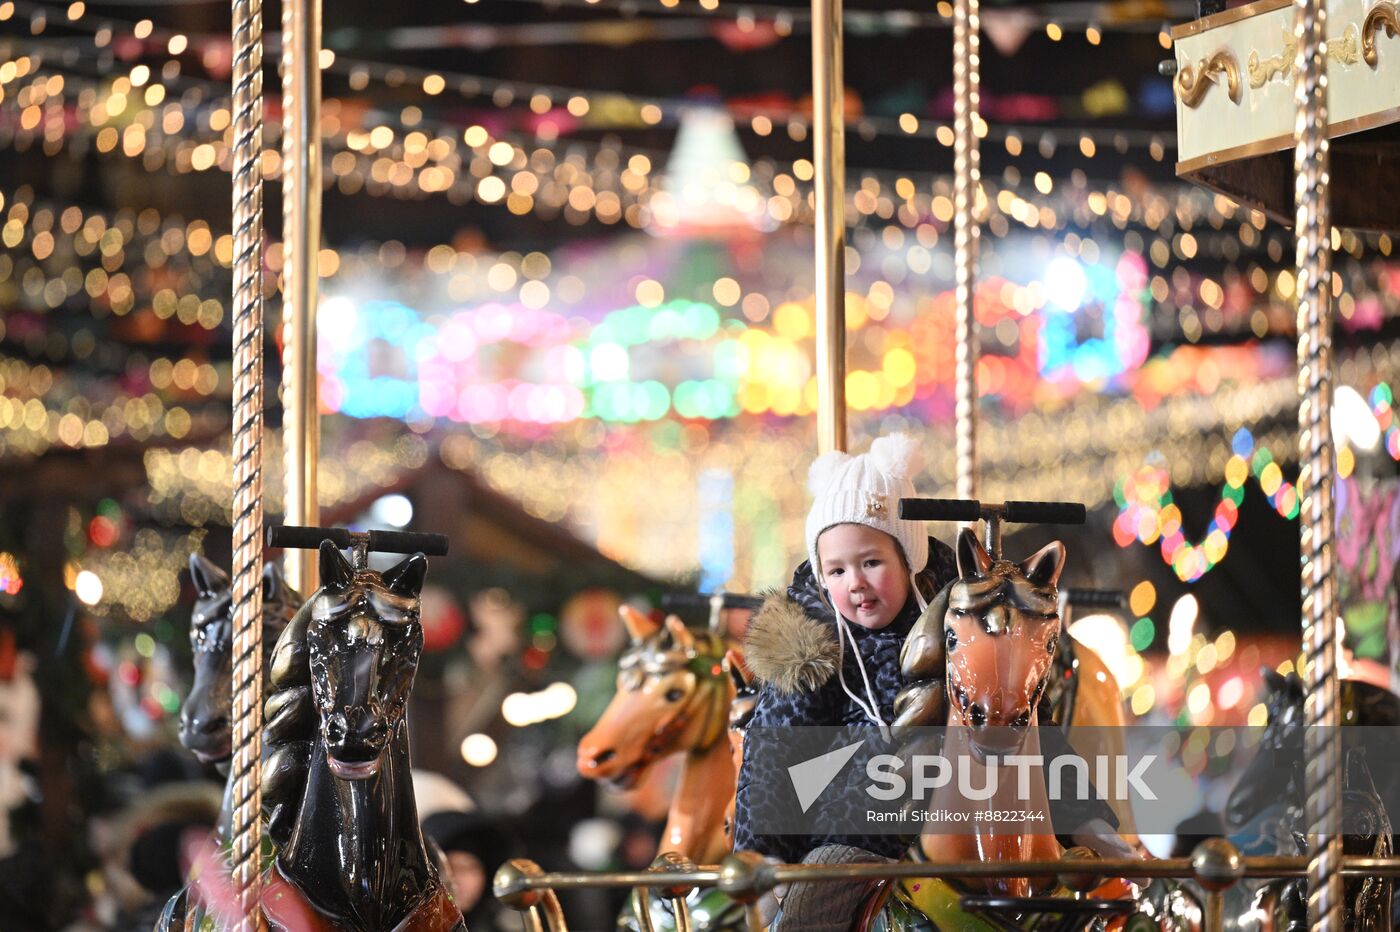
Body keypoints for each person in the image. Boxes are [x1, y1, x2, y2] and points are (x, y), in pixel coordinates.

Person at [732, 433, 958, 929]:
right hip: (854, 829)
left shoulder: (954, 626)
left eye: (871, 562)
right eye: (835, 570)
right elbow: (773, 752)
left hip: (964, 815)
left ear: (909, 557)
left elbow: (1021, 718)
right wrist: (762, 855)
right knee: (819, 897)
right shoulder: (814, 642)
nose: (853, 582)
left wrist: (1082, 821)